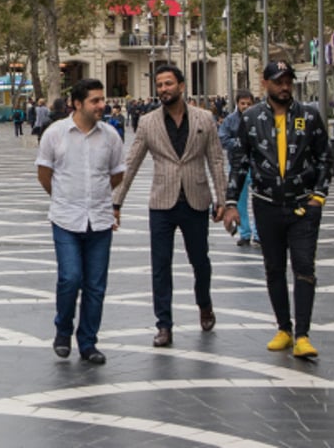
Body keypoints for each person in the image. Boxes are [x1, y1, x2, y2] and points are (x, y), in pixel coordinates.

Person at [113, 65, 226, 348]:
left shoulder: (205, 118)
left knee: (200, 261)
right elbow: (131, 163)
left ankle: (205, 303)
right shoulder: (148, 122)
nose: (163, 89)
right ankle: (164, 324)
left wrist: (222, 199)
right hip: (162, 203)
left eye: (168, 84)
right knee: (160, 266)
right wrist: (116, 202)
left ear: (181, 86)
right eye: (159, 85)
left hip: (196, 199)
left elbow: (215, 160)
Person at [223, 61, 330, 359]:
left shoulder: (308, 115)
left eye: (288, 81)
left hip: (302, 205)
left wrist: (318, 198)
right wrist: (231, 203)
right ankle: (284, 327)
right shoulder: (252, 118)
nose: (284, 87)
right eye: (278, 81)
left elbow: (324, 158)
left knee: (304, 267)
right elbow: (240, 163)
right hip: (267, 205)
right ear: (265, 83)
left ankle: (303, 334)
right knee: (273, 269)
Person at [36, 79, 125, 365]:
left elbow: (117, 174)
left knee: (96, 286)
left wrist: (98, 197)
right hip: (65, 219)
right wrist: (62, 197)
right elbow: (44, 173)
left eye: (102, 99)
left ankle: (88, 342)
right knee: (70, 277)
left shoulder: (111, 135)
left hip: (99, 219)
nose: (102, 105)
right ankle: (63, 330)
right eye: (95, 101)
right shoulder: (55, 134)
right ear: (77, 103)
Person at [218, 90, 259, 247]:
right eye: (243, 103)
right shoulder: (230, 120)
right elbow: (222, 138)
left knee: (259, 200)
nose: (246, 106)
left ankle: (258, 234)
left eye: (249, 103)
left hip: (256, 165)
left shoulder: (258, 119)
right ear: (237, 104)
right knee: (239, 202)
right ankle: (245, 233)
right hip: (236, 165)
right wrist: (241, 144)